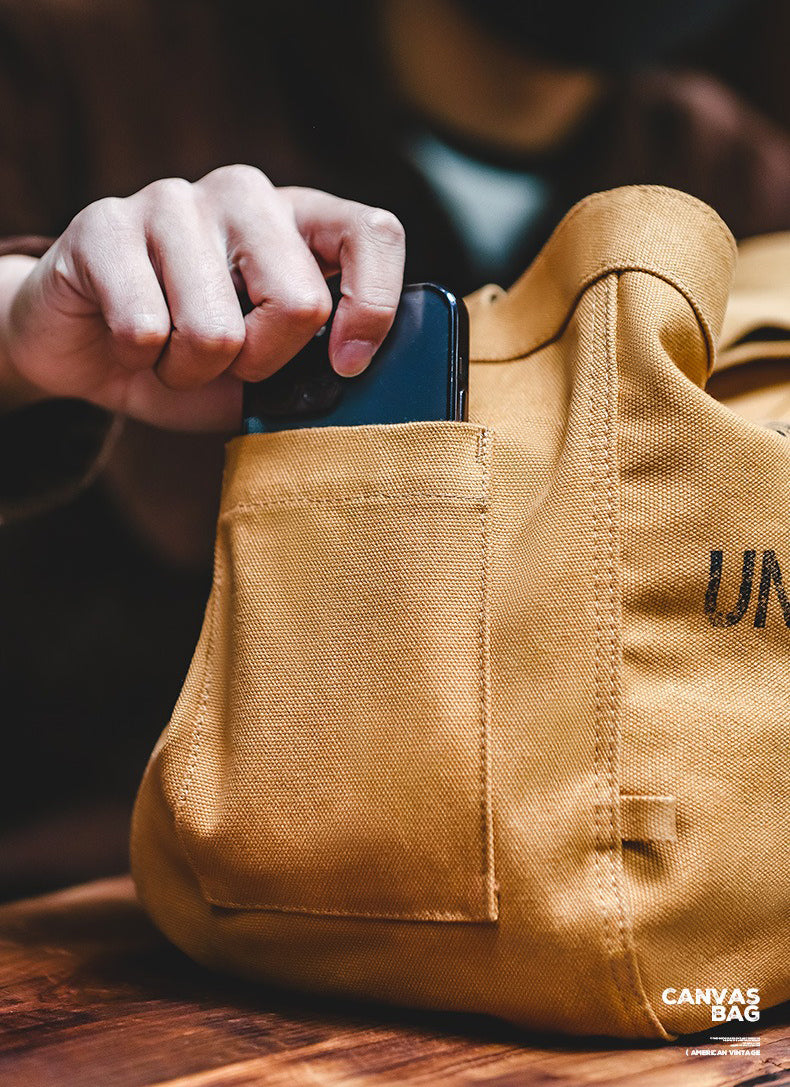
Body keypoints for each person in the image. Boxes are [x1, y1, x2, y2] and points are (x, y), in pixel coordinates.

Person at [2, 0, 789, 898]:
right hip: (96, 916)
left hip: (587, 914)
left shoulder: (745, 193)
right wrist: (18, 324)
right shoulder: (80, 66)